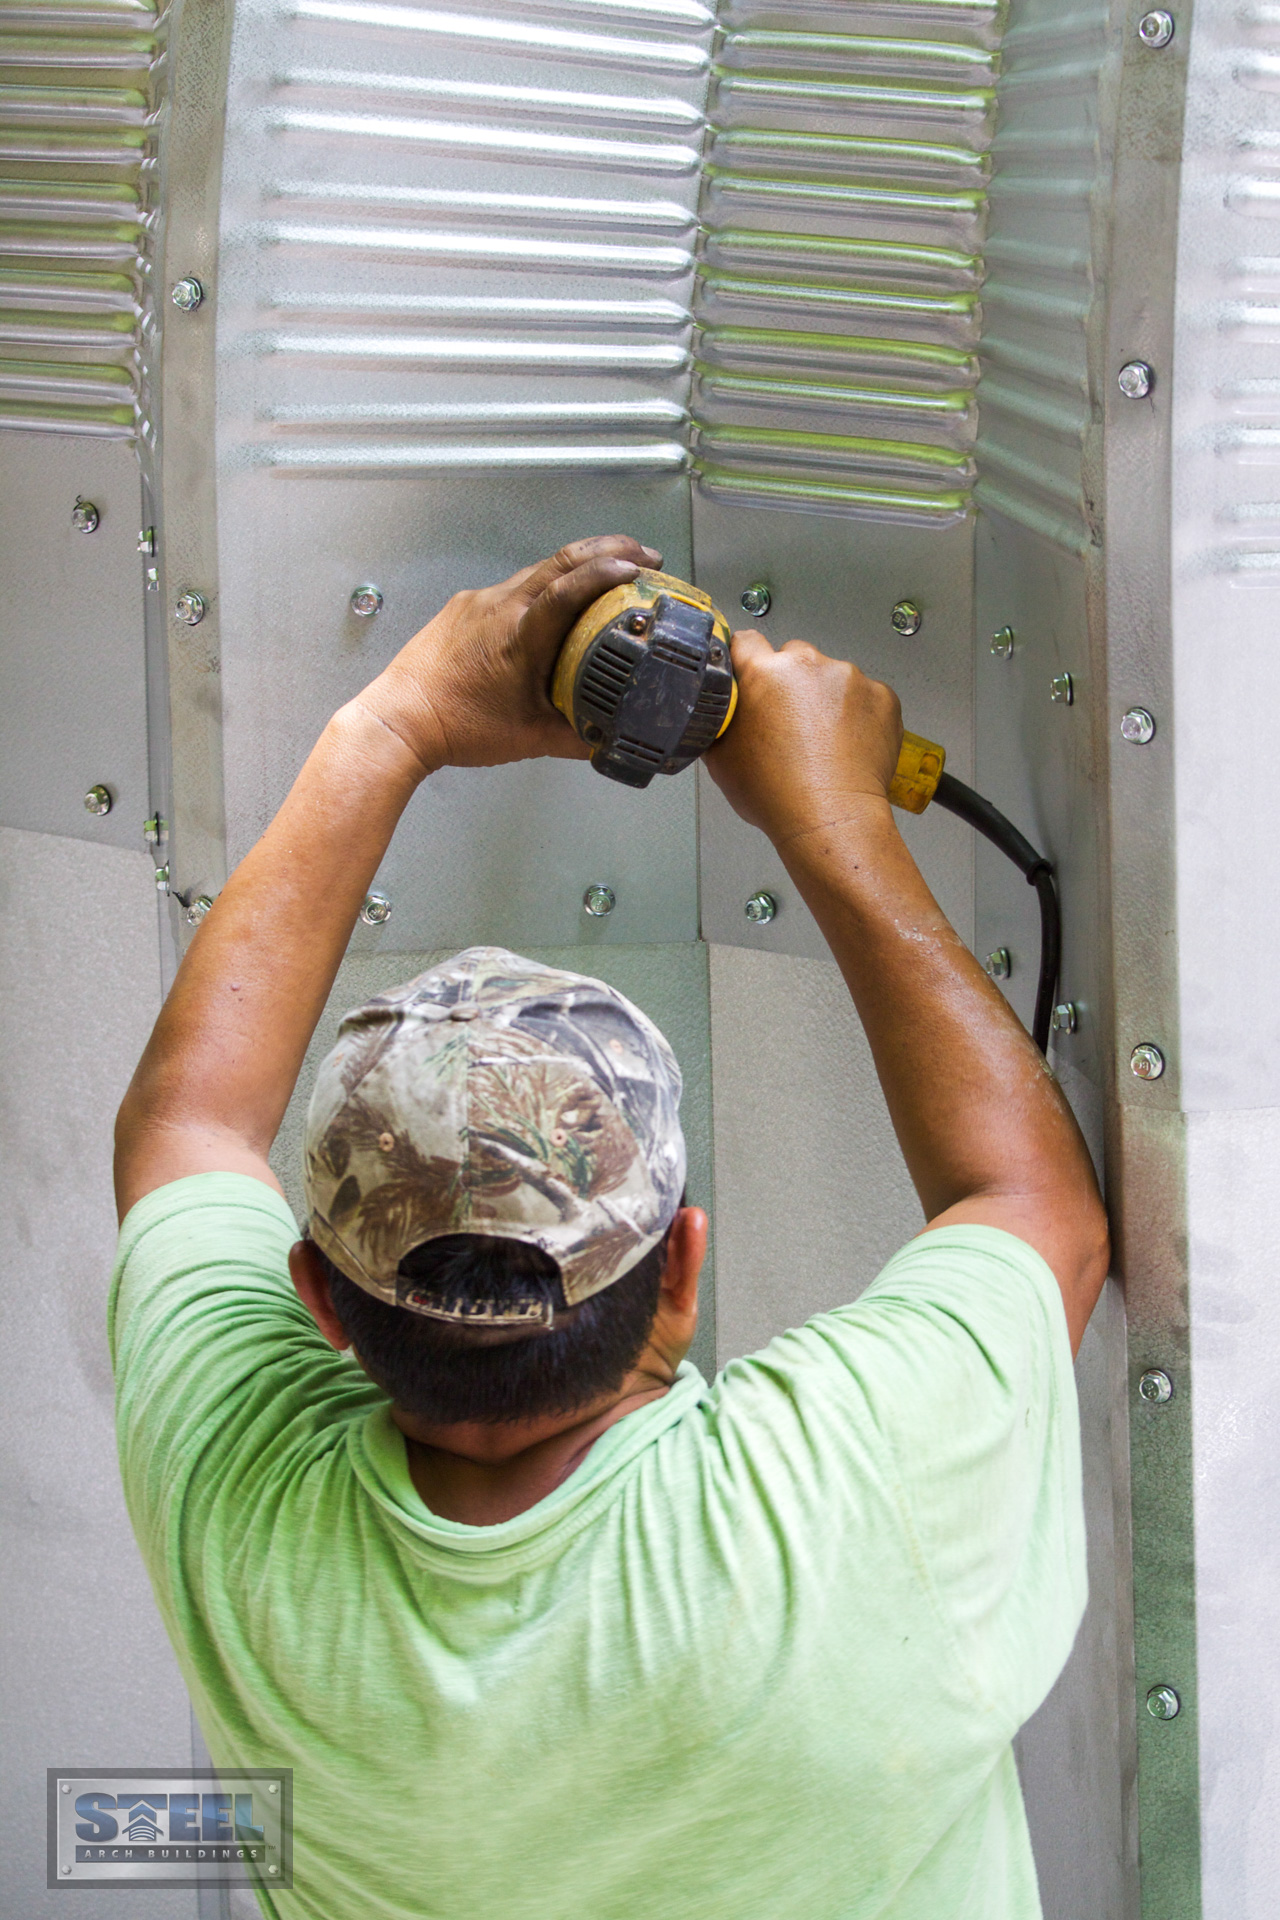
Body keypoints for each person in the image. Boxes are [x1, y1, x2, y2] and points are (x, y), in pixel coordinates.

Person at [112, 535, 1109, 1920]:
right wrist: (830, 814)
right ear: (684, 1268)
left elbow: (187, 1124)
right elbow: (1037, 1203)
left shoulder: (239, 1516)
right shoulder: (835, 1508)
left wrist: (394, 724)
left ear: (322, 1302)